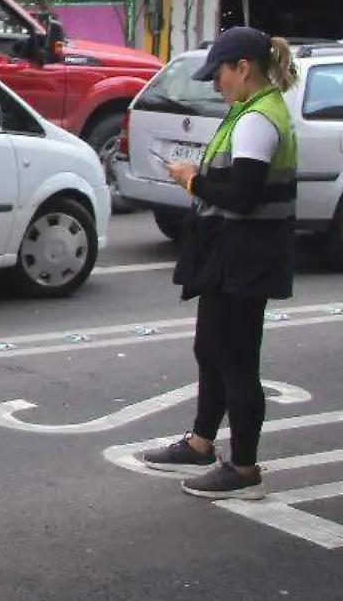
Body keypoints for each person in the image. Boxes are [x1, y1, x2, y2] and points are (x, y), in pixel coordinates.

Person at [139, 26, 299, 499]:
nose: (216, 84)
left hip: (246, 253)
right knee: (210, 349)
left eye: (221, 74)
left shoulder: (258, 120)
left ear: (243, 69)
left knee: (237, 362)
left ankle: (244, 469)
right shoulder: (248, 111)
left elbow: (244, 196)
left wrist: (192, 180)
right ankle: (200, 442)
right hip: (231, 250)